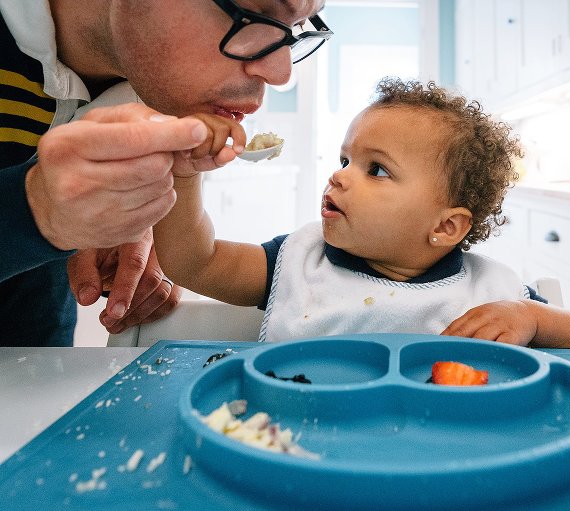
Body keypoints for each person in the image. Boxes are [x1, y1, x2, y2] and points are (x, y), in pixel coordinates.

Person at [154, 78, 570, 348]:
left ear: (446, 226)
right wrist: (185, 174)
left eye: (376, 169)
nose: (340, 177)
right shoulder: (298, 261)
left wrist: (530, 316)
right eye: (344, 160)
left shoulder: (489, 292)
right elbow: (195, 261)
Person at [0, 0, 331, 345]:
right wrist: (35, 211)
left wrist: (113, 221)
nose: (281, 73)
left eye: (295, 28)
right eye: (256, 15)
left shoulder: (159, 94)